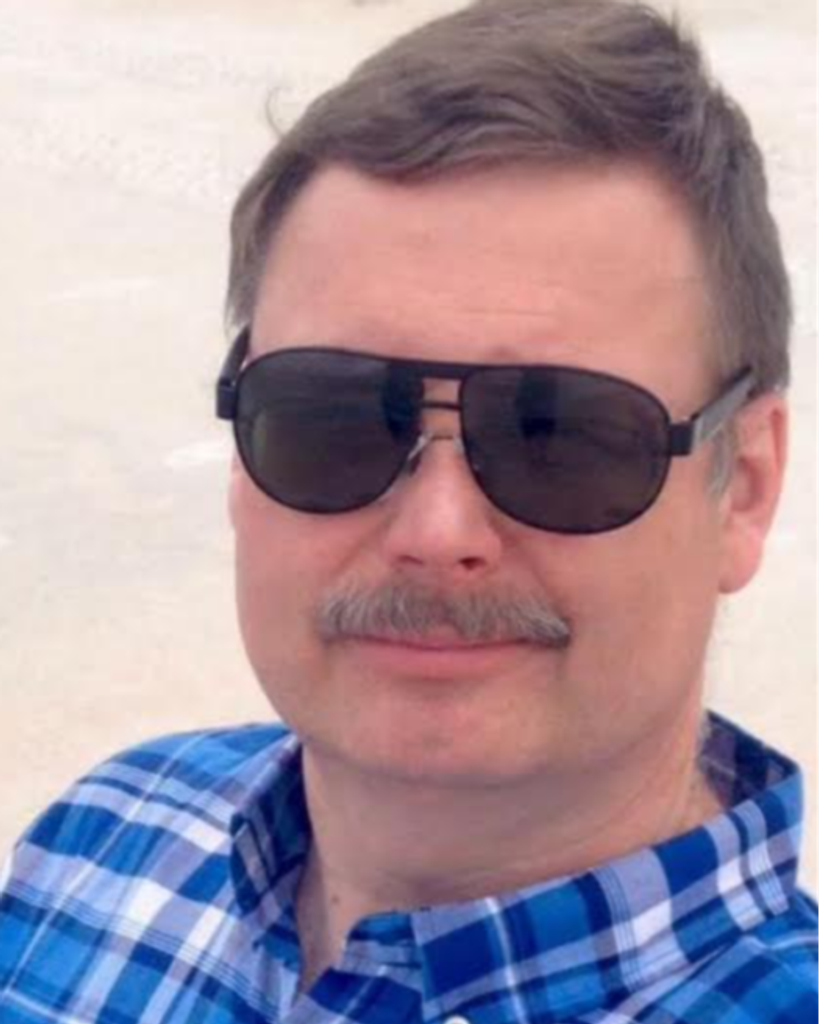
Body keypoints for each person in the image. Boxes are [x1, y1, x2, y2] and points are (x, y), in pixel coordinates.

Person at [1, 0, 817, 1020]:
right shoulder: (98, 847)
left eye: (556, 435)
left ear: (743, 487)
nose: (437, 533)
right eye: (335, 417)